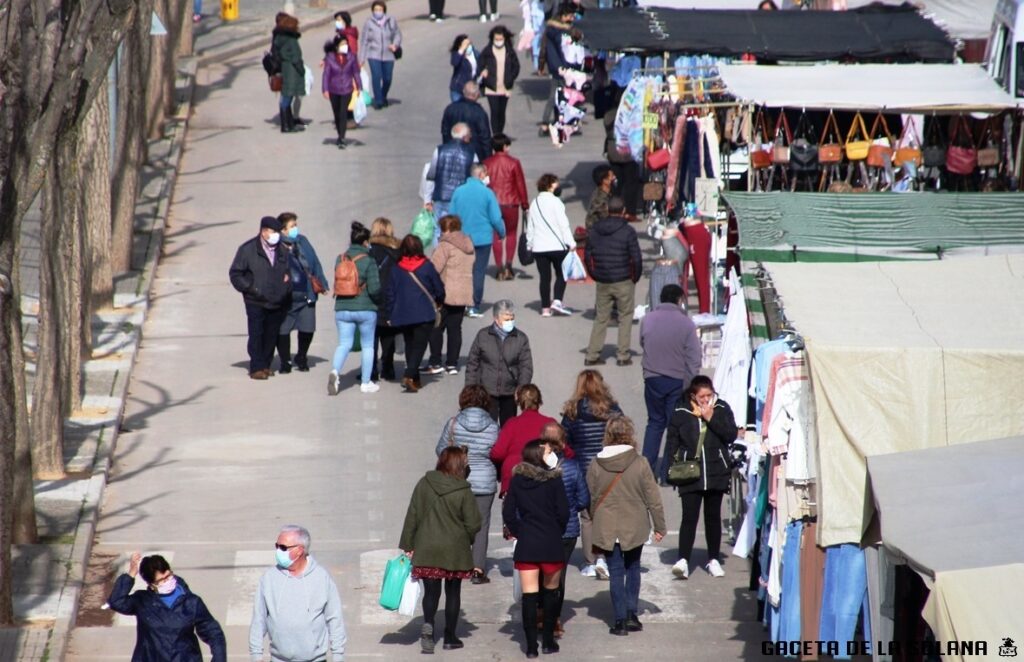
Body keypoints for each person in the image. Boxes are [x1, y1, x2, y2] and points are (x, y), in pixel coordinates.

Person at [586, 416, 666, 636]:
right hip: (635, 524)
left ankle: (619, 620)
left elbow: (591, 496)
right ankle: (632, 614)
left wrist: (596, 519)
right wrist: (660, 526)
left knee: (615, 571)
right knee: (633, 568)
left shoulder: (596, 463)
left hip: (607, 525)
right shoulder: (640, 463)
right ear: (630, 435)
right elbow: (653, 498)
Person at [400, 446, 482, 654]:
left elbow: (413, 515)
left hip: (427, 547)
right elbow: (474, 523)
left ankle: (428, 624)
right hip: (455, 549)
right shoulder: (463, 490)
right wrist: (466, 538)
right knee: (453, 592)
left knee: (431, 593)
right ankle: (450, 636)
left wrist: (408, 544)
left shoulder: (424, 484)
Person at [665, 375, 738, 580]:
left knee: (712, 518)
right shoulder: (681, 412)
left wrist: (710, 417)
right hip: (690, 474)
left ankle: (713, 559)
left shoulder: (722, 408)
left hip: (716, 472)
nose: (706, 399)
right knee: (689, 517)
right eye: (702, 396)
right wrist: (670, 470)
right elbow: (672, 441)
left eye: (709, 395)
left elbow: (730, 434)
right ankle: (683, 560)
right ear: (693, 396)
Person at [503, 440, 570, 658]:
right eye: (550, 451)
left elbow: (509, 512)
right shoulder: (554, 481)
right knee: (551, 593)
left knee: (529, 596)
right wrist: (555, 530)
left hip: (528, 543)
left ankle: (531, 646)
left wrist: (520, 531)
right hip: (551, 542)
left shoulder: (517, 481)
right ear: (540, 455)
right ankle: (548, 640)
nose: (553, 453)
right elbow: (564, 513)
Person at [250, 525, 348, 662]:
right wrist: (256, 655)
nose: (278, 551)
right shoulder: (269, 578)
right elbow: (258, 620)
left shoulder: (321, 577)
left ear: (300, 550)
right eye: (276, 546)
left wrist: (338, 655)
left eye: (283, 548)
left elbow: (334, 618)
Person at [560, 369, 622, 579]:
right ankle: (607, 556)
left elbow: (564, 441)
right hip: (608, 465)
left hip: (583, 466)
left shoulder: (572, 411)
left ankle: (590, 561)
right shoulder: (612, 408)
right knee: (608, 511)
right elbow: (622, 433)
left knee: (587, 516)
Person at [108, 552, 226, 662]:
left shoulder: (191, 602)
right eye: (161, 580)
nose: (167, 581)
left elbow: (213, 633)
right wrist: (131, 574)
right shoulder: (142, 601)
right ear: (152, 584)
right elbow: (116, 602)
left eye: (168, 576)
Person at [436, 385, 500, 583]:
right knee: (481, 525)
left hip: (457, 481)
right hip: (485, 483)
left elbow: (441, 450)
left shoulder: (453, 424)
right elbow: (498, 454)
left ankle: (456, 564)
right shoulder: (492, 426)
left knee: (456, 523)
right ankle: (478, 569)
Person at [640, 284, 702, 482]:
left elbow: (643, 342)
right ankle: (668, 472)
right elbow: (694, 358)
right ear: (679, 299)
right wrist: (691, 384)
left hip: (652, 379)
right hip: (677, 381)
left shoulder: (647, 320)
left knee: (654, 423)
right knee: (674, 427)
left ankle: (646, 471)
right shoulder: (686, 324)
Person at [542, 422, 589, 639]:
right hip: (567, 530)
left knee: (540, 573)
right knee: (557, 577)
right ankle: (555, 618)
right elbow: (583, 499)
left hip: (540, 530)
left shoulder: (533, 466)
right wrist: (571, 509)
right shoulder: (572, 467)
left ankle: (540, 614)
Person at [229, 216, 292, 380]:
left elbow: (289, 271)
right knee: (256, 333)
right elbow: (235, 273)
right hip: (255, 300)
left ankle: (265, 364)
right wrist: (250, 288)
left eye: (278, 232)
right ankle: (257, 366)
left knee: (271, 334)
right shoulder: (247, 249)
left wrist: (286, 284)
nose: (276, 235)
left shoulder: (283, 250)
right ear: (264, 232)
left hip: (276, 299)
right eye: (273, 232)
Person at [583, 196, 642, 367]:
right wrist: (635, 277)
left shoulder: (595, 229)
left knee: (601, 317)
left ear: (607, 210)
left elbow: (587, 255)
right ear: (623, 211)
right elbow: (636, 258)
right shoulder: (628, 231)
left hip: (603, 279)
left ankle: (592, 354)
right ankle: (623, 355)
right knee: (625, 317)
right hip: (624, 279)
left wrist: (594, 274)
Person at [385, 234, 445, 393]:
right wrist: (439, 300)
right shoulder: (426, 266)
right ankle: (409, 374)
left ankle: (415, 379)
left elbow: (390, 293)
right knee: (419, 346)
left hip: (403, 313)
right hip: (424, 313)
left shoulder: (396, 268)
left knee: (410, 344)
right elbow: (438, 287)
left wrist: (390, 313)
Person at [327, 221, 381, 396]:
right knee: (367, 346)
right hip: (365, 309)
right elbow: (374, 289)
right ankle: (366, 383)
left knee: (344, 344)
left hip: (342, 308)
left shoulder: (340, 258)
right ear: (366, 242)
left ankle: (335, 371)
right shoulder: (369, 261)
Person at [450, 164, 505, 317]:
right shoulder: (487, 193)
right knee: (478, 271)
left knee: (463, 271)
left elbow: (451, 216)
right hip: (483, 239)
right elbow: (496, 218)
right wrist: (501, 233)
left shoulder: (458, 192)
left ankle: (460, 303)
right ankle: (474, 305)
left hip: (462, 239)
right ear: (481, 174)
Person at [466, 301, 533, 426]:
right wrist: (470, 389)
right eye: (506, 319)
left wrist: (521, 388)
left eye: (512, 318)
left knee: (508, 429)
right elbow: (472, 364)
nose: (510, 322)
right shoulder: (483, 335)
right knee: (486, 428)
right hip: (486, 393)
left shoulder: (521, 338)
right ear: (496, 319)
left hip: (510, 393)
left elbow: (526, 366)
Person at [276, 212, 327, 374]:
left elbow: (315, 262)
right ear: (283, 230)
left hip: (306, 295)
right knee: (282, 331)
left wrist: (322, 282)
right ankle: (285, 361)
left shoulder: (302, 242)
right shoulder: (276, 246)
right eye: (292, 226)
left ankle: (302, 356)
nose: (295, 229)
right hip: (286, 298)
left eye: (296, 225)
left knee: (308, 328)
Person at [427, 215, 475, 375]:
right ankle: (452, 364)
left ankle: (435, 362)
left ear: (445, 229)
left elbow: (434, 269)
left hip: (445, 293)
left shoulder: (445, 246)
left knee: (436, 328)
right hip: (463, 293)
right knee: (455, 329)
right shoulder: (468, 245)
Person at [527, 173, 576, 317]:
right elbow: (563, 225)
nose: (558, 186)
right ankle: (557, 300)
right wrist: (571, 242)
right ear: (549, 186)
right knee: (561, 274)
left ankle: (545, 309)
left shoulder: (534, 203)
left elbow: (531, 226)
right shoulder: (556, 202)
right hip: (557, 247)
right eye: (556, 183)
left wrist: (530, 244)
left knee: (544, 278)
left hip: (539, 248)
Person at [490, 384, 554, 493]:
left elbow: (498, 453)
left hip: (513, 476)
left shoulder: (511, 424)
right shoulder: (549, 423)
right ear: (538, 401)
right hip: (541, 476)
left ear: (519, 402)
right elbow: (563, 449)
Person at [483, 134, 529, 281]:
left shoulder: (486, 163)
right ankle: (509, 264)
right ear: (504, 146)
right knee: (511, 233)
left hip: (493, 204)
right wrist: (525, 204)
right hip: (511, 203)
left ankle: (499, 268)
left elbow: (484, 184)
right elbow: (520, 184)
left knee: (495, 236)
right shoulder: (514, 163)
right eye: (508, 145)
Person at [369, 217, 400, 382]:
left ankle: (372, 369)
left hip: (371, 297)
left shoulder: (369, 250)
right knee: (388, 335)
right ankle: (388, 367)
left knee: (371, 336)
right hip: (391, 297)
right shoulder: (397, 251)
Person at [426, 123, 477, 224]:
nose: (470, 138)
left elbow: (431, 176)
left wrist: (427, 199)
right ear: (465, 137)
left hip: (441, 196)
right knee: (458, 228)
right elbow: (476, 179)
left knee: (438, 228)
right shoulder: (472, 154)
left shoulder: (439, 150)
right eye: (469, 135)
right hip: (461, 199)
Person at [359, 1, 402, 110]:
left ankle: (383, 95)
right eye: (375, 10)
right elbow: (364, 41)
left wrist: (395, 45)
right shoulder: (369, 23)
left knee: (387, 78)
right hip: (373, 54)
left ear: (384, 11)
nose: (378, 12)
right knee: (376, 76)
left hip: (388, 54)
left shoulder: (390, 21)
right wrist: (361, 58)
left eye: (380, 10)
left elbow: (397, 34)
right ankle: (378, 100)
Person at [479, 26, 520, 135]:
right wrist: (483, 72)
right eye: (496, 39)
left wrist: (511, 78)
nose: (498, 42)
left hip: (505, 87)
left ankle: (500, 132)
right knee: (495, 111)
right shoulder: (487, 51)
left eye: (500, 39)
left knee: (501, 112)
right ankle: (495, 134)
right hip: (491, 87)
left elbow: (516, 67)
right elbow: (480, 65)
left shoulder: (509, 52)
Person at [322, 35, 361, 149]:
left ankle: (342, 137)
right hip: (334, 89)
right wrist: (325, 89)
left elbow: (356, 72)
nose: (345, 46)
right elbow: (326, 74)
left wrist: (359, 86)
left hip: (347, 88)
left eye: (346, 44)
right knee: (337, 113)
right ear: (336, 46)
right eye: (342, 44)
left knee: (343, 112)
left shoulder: (352, 57)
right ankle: (339, 133)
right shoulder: (330, 58)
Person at [540, 4, 574, 130]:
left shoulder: (550, 29)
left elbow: (543, 48)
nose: (572, 18)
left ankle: (553, 120)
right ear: (563, 16)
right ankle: (552, 121)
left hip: (555, 66)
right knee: (561, 95)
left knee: (556, 95)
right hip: (561, 66)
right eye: (570, 16)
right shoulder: (560, 32)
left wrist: (541, 65)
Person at [441, 82, 493, 163]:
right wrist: (489, 160)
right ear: (477, 94)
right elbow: (485, 138)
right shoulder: (479, 113)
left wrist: (446, 149)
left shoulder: (450, 109)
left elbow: (445, 132)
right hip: (474, 156)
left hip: (452, 153)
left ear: (463, 92)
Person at [272, 12, 306, 133]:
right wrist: (302, 70)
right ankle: (287, 126)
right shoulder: (291, 40)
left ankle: (288, 124)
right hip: (291, 71)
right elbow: (296, 57)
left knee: (285, 97)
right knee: (288, 97)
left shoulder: (279, 38)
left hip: (284, 68)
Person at [449, 35, 477, 104]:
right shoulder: (457, 54)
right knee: (458, 111)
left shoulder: (474, 53)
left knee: (469, 111)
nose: (468, 46)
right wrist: (461, 50)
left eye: (469, 44)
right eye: (465, 45)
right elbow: (454, 62)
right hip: (458, 89)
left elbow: (482, 63)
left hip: (470, 90)